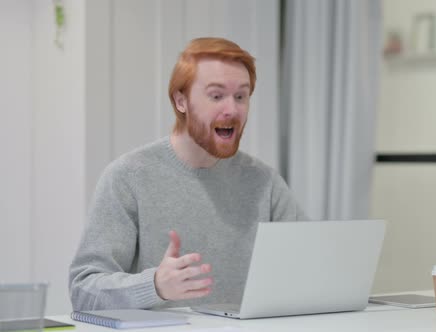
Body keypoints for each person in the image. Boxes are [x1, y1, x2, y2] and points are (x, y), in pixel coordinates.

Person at [69, 37, 306, 311]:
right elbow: (83, 290)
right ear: (181, 101)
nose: (232, 109)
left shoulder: (264, 182)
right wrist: (156, 286)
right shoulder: (128, 177)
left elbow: (309, 264)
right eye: (216, 96)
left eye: (241, 96)